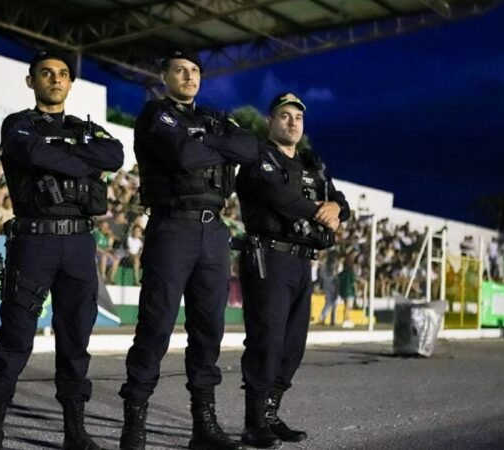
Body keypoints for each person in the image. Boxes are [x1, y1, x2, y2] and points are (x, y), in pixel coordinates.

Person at [0, 49, 123, 450]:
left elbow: (115, 156)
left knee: (76, 339)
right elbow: (31, 153)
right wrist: (79, 155)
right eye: (46, 73)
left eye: (62, 74)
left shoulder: (82, 127)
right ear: (32, 82)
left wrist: (62, 150)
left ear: (70, 84)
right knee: (16, 337)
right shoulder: (19, 124)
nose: (56, 79)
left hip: (78, 242)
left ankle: (75, 432)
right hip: (34, 241)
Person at [118, 49, 258, 450]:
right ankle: (135, 425)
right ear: (164, 75)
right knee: (156, 327)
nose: (189, 76)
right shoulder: (154, 115)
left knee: (208, 331)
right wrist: (217, 145)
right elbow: (185, 155)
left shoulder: (213, 118)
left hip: (214, 232)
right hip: (172, 227)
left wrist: (206, 139)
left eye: (195, 70)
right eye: (179, 70)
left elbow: (249, 148)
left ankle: (204, 425)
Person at [234, 93, 349, 448]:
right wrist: (322, 211)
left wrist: (335, 207)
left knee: (292, 345)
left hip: (301, 261)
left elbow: (341, 203)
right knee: (266, 341)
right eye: (285, 116)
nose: (293, 122)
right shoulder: (258, 157)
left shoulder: (313, 164)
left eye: (298, 117)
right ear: (271, 121)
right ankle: (254, 422)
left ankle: (270, 413)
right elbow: (279, 196)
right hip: (269, 257)